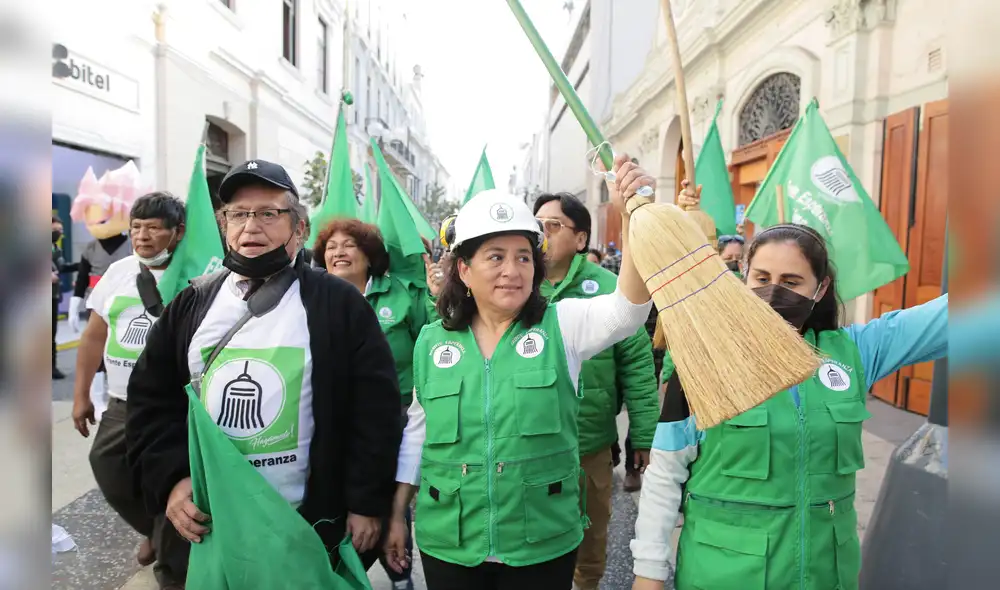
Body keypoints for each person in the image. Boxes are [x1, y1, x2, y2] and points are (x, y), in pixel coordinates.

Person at [383, 155, 656, 590]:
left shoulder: (563, 325)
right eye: (495, 257)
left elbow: (627, 313)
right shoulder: (432, 342)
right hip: (450, 542)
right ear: (464, 269)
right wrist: (397, 512)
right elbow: (418, 431)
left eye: (524, 257)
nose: (513, 271)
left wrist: (631, 216)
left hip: (541, 542)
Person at [631, 217, 948, 590]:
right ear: (743, 275)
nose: (774, 292)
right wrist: (648, 573)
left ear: (821, 288)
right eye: (762, 279)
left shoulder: (853, 352)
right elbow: (665, 475)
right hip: (723, 576)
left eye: (792, 282)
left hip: (825, 576)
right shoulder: (705, 358)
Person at [125, 159, 402, 580]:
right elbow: (151, 401)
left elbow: (374, 412)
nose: (251, 226)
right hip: (212, 522)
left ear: (300, 227)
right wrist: (173, 480)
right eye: (238, 214)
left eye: (269, 213)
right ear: (224, 224)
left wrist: (364, 502)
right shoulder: (192, 304)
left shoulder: (338, 305)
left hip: (302, 524)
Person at [532, 191, 659, 590]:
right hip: (530, 447)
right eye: (536, 226)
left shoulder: (612, 290)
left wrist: (643, 435)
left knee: (590, 544)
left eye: (552, 226)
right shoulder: (518, 284)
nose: (542, 235)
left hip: (590, 444)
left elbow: (638, 365)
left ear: (581, 239)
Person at [314, 218, 438, 590]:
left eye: (348, 244)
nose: (338, 251)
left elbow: (436, 341)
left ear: (369, 255)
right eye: (331, 246)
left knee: (388, 499)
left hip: (393, 417)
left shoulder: (403, 294)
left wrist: (436, 296)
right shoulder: (311, 296)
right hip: (330, 416)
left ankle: (399, 574)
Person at [71, 192, 187, 587]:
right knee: (108, 466)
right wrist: (81, 394)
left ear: (178, 232)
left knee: (173, 483)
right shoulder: (120, 272)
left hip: (176, 406)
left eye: (154, 228)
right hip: (123, 402)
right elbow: (92, 338)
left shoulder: (198, 273)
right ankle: (156, 528)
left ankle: (171, 560)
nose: (143, 236)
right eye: (137, 227)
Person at [51, 215, 78, 379]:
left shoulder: (55, 248)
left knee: (51, 333)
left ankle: (51, 367)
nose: (58, 233)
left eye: (60, 230)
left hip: (52, 296)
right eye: (55, 230)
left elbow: (62, 267)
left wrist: (83, 264)